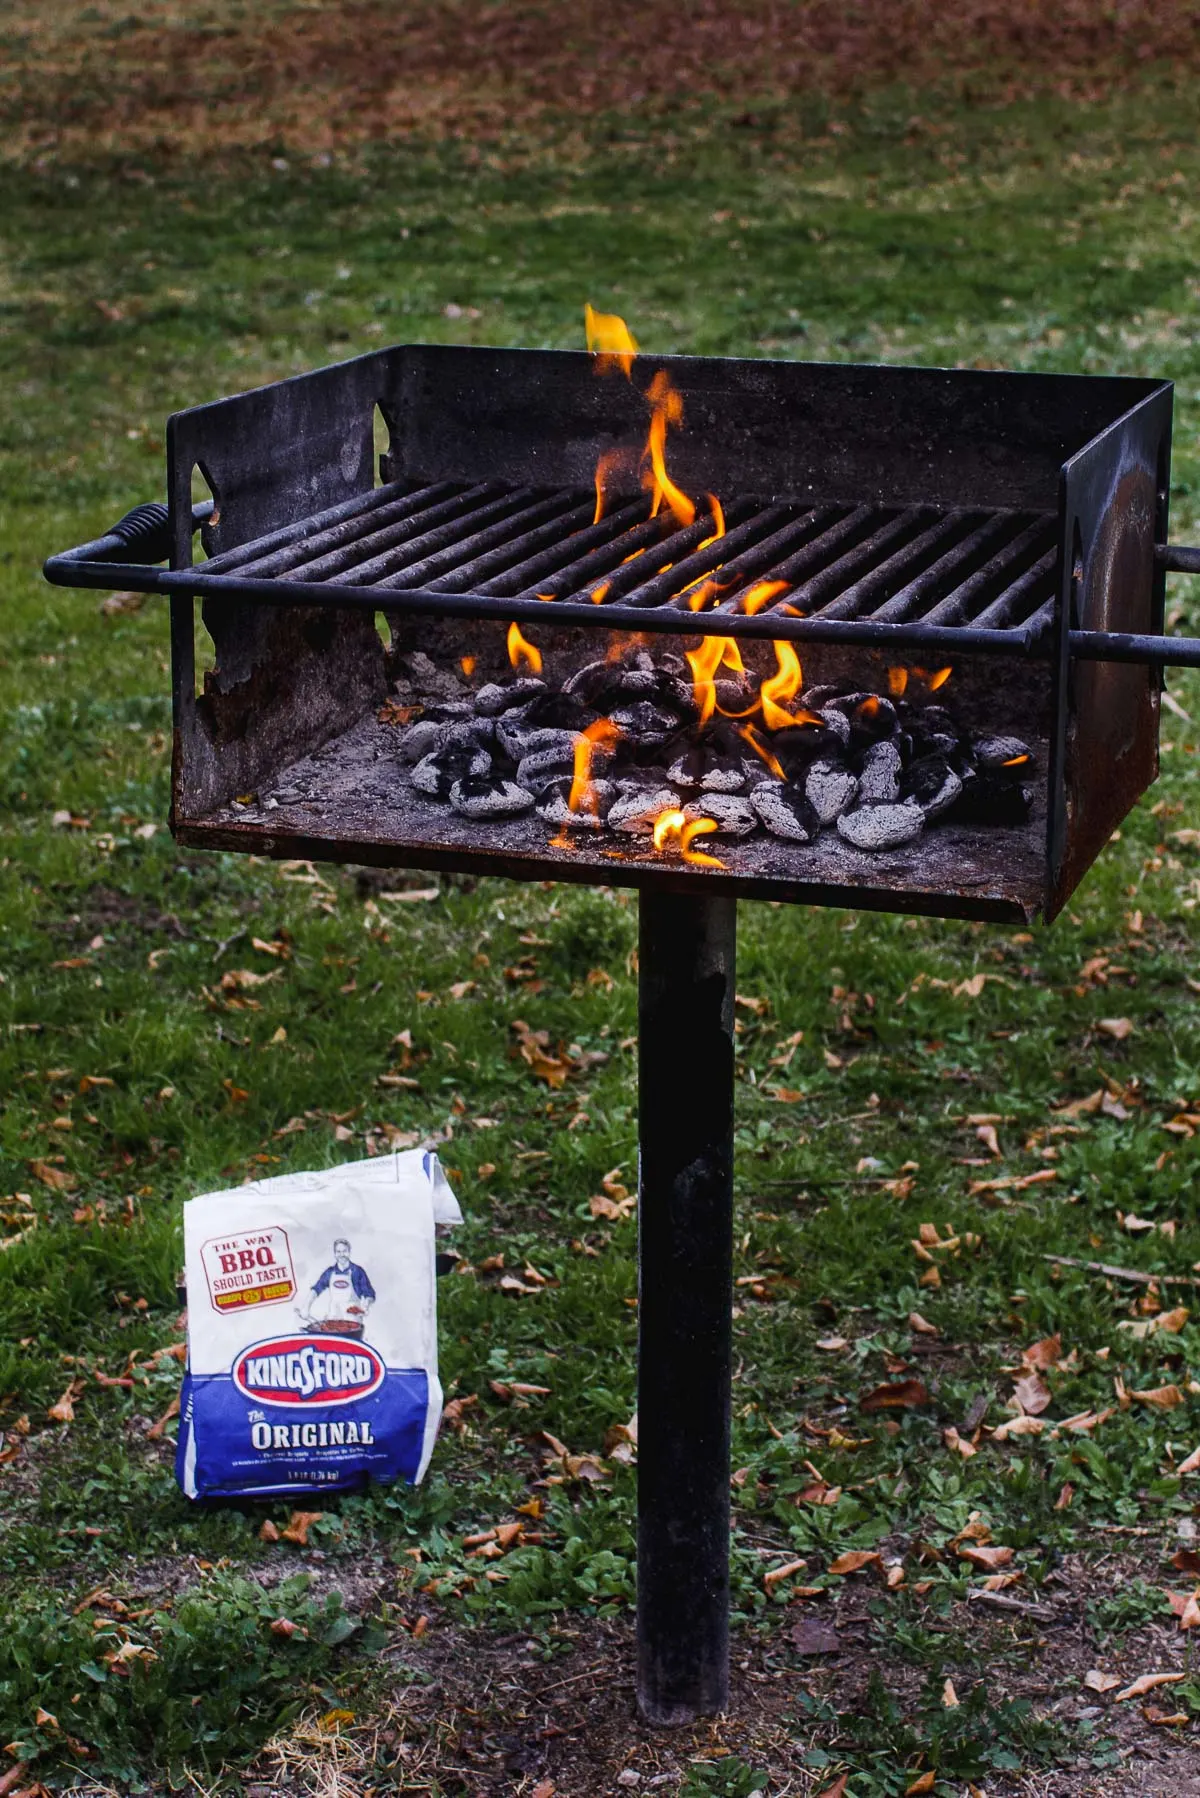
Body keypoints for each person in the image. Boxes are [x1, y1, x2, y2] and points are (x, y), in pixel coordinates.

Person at [298, 1238, 376, 1333]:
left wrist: (366, 1305)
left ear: (349, 1252)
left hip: (352, 1318)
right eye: (338, 1251)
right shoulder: (330, 1272)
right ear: (335, 1253)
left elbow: (369, 1294)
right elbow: (316, 1289)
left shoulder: (357, 1271)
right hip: (334, 1315)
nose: (341, 1254)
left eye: (344, 1251)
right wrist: (306, 1307)